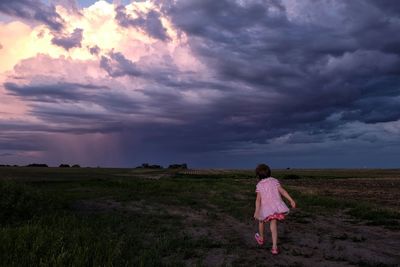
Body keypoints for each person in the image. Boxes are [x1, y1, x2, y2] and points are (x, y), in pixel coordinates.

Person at [253, 164, 296, 255]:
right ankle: (274, 248)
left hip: (266, 208)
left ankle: (261, 238)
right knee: (273, 226)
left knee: (261, 221)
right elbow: (283, 191)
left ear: (258, 175)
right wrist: (291, 200)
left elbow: (258, 200)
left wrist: (257, 211)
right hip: (276, 207)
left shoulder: (259, 185)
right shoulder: (274, 181)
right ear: (269, 172)